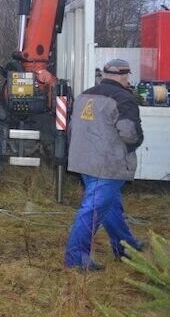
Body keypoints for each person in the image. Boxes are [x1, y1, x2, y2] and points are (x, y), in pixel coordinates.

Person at [64, 58, 144, 271]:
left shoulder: (84, 95)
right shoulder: (124, 99)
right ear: (124, 76)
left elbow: (72, 129)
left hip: (83, 161)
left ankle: (126, 247)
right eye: (127, 77)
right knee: (92, 210)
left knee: (110, 207)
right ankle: (76, 257)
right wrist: (137, 142)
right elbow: (129, 132)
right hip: (108, 165)